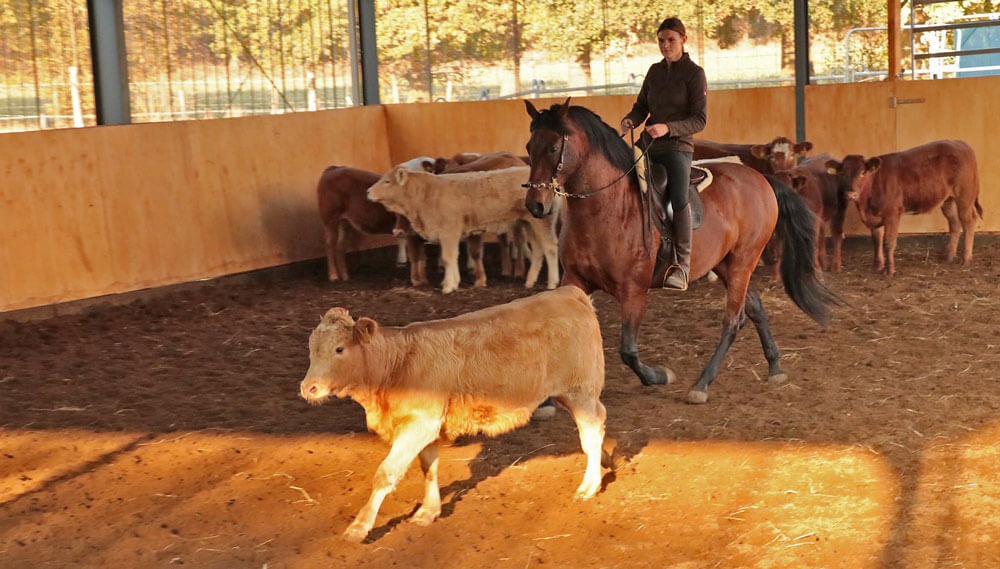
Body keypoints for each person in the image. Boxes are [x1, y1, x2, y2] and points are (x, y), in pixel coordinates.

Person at [620, 17, 707, 291]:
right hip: (648, 145)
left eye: (670, 40)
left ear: (683, 40)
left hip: (678, 148)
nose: (665, 45)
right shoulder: (654, 72)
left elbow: (699, 120)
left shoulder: (694, 74)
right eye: (661, 41)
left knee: (679, 197)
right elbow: (641, 107)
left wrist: (668, 127)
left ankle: (681, 266)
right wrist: (630, 120)